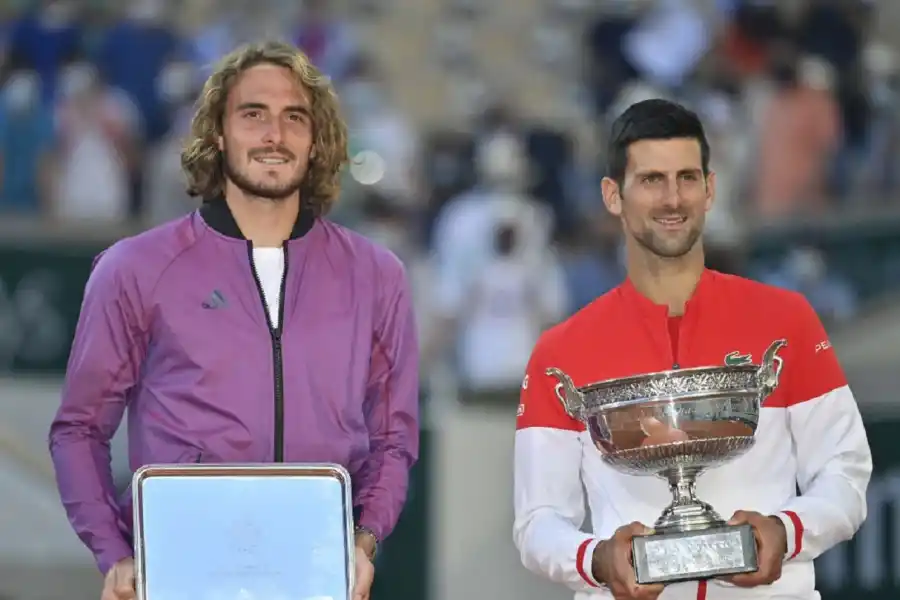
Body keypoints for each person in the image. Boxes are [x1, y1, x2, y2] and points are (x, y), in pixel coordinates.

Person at [49, 40, 419, 600]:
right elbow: (79, 429)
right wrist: (115, 553)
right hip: (180, 571)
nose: (275, 135)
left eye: (295, 118)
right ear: (218, 134)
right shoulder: (136, 268)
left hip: (318, 570)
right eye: (253, 115)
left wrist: (364, 541)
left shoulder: (375, 275)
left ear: (316, 140)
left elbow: (393, 437)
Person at [513, 99, 871, 600]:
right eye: (651, 180)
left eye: (686, 177)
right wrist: (598, 559)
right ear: (613, 195)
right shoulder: (560, 352)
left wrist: (783, 532)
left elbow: (845, 473)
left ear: (710, 189)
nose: (672, 199)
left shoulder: (785, 320)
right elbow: (538, 521)